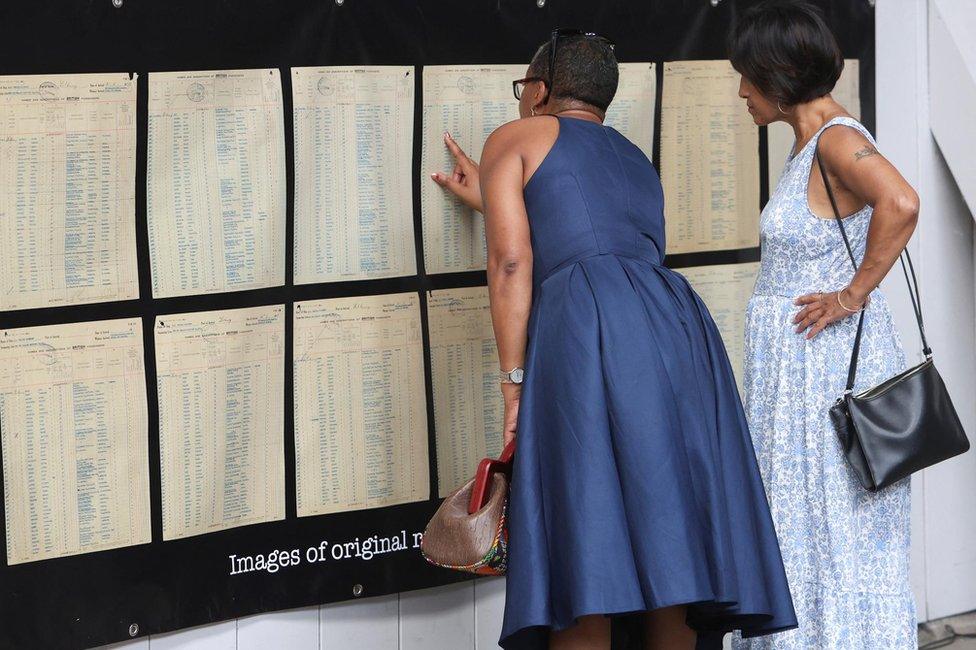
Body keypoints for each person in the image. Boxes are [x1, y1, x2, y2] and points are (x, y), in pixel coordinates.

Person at [431, 29, 797, 650]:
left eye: (524, 90)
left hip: (585, 330)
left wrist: (513, 382)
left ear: (540, 90)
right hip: (676, 330)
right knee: (667, 534)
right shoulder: (633, 156)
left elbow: (513, 262)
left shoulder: (515, 137)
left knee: (586, 530)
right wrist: (490, 196)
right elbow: (593, 229)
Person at [728, 2, 920, 648]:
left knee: (833, 531)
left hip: (824, 372)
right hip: (799, 377)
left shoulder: (838, 138)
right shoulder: (809, 144)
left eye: (749, 77)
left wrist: (850, 294)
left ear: (778, 76)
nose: (742, 92)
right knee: (808, 532)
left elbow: (902, 201)